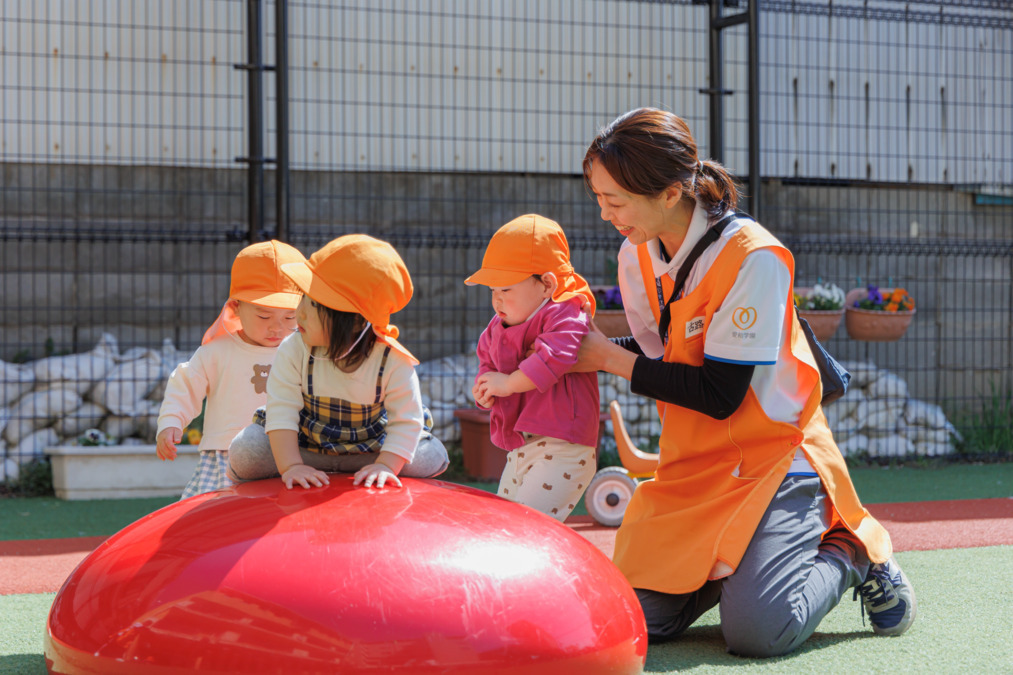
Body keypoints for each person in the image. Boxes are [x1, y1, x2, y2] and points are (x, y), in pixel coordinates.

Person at [576, 107, 916, 656]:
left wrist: (605, 359)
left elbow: (718, 392)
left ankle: (851, 551)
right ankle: (742, 567)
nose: (605, 213)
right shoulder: (633, 253)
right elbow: (654, 352)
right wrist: (577, 354)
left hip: (776, 458)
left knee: (758, 633)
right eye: (598, 198)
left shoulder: (752, 256)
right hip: (698, 464)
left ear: (668, 194)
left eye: (614, 201)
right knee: (634, 621)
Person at [227, 234, 449, 491]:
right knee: (247, 449)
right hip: (307, 448)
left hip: (371, 450)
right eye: (302, 300)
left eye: (313, 304)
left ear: (355, 321)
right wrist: (291, 466)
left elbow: (406, 421)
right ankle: (318, 465)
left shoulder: (392, 361)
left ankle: (365, 466)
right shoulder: (294, 348)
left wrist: (386, 465)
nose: (300, 313)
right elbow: (282, 410)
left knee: (429, 455)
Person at [465, 214, 601, 522]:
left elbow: (556, 356)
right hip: (522, 446)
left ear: (546, 285)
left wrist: (509, 383)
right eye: (492, 291)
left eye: (506, 290)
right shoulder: (499, 326)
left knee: (527, 529)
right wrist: (485, 388)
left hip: (564, 446)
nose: (497, 299)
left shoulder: (566, 312)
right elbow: (487, 361)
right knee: (504, 525)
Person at [156, 240, 305, 499]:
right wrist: (171, 422)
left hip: (289, 455)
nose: (276, 328)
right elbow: (186, 385)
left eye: (289, 318)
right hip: (225, 456)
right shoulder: (217, 352)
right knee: (217, 524)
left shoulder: (302, 351)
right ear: (235, 307)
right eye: (264, 316)